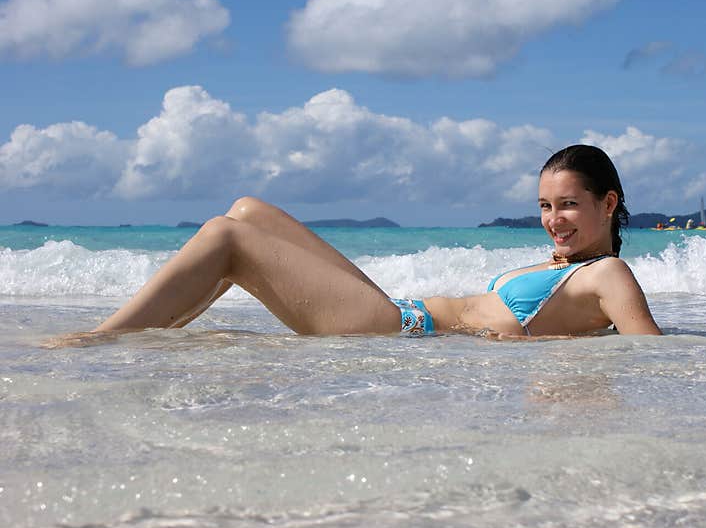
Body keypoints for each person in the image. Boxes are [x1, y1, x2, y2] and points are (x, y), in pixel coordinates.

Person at [64, 144, 661, 343]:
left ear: (608, 203)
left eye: (568, 205)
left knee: (226, 238)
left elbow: (649, 354)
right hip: (399, 311)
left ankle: (97, 341)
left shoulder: (608, 274)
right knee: (249, 210)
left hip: (399, 330)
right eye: (545, 207)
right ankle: (144, 333)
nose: (554, 219)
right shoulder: (564, 264)